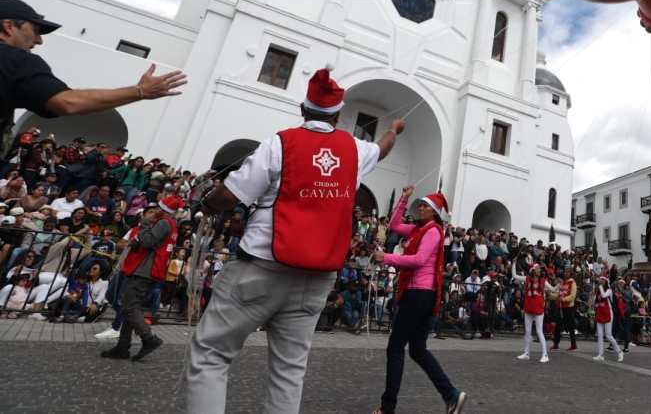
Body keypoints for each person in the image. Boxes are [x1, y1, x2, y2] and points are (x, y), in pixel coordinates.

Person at [186, 67, 403, 414]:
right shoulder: (354, 149)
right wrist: (393, 130)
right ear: (339, 115)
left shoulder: (281, 142)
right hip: (316, 279)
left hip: (262, 266)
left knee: (211, 354)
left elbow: (232, 195)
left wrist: (207, 202)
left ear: (304, 109)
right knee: (289, 371)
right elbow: (383, 148)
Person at [0, 0, 187, 140]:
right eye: (36, 30)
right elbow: (68, 103)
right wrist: (140, 91)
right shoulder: (17, 60)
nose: (39, 40)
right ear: (8, 26)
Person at [372, 187, 467, 414]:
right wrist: (403, 199)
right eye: (420, 204)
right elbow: (394, 225)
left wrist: (386, 258)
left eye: (425, 206)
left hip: (418, 294)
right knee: (417, 350)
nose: (421, 207)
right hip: (421, 295)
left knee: (395, 348)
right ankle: (451, 395)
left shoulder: (433, 231)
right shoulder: (417, 229)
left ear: (434, 212)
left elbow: (419, 259)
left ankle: (387, 407)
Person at [100, 196, 181, 361]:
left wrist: (144, 223)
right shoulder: (170, 223)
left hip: (144, 269)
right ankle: (123, 347)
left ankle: (149, 338)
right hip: (147, 268)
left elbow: (147, 241)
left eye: (158, 207)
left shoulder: (164, 222)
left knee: (129, 307)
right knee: (128, 307)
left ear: (163, 209)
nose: (155, 211)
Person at [514, 261, 557, 363]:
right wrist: (514, 263)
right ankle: (526, 353)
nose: (539, 270)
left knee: (539, 332)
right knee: (528, 332)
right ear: (533, 270)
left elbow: (553, 289)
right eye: (537, 268)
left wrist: (558, 286)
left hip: (538, 310)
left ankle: (545, 355)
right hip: (528, 309)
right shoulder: (527, 279)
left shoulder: (543, 280)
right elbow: (514, 275)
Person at [593, 276, 624, 362]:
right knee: (599, 335)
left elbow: (604, 295)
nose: (601, 281)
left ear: (606, 281)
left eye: (603, 280)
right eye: (600, 280)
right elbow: (596, 302)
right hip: (600, 313)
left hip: (608, 314)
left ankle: (619, 352)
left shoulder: (609, 290)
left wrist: (599, 286)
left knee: (608, 335)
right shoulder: (598, 290)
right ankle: (600, 354)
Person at [552, 266, 577, 351]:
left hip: (568, 307)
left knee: (571, 327)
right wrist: (551, 295)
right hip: (560, 307)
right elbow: (558, 294)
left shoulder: (572, 283)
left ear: (571, 273)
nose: (565, 273)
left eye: (567, 272)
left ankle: (573, 345)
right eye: (565, 272)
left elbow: (573, 296)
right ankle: (556, 344)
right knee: (557, 327)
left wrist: (564, 299)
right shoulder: (562, 283)